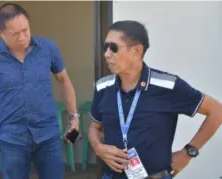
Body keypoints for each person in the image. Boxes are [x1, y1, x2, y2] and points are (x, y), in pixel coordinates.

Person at [88, 20, 222, 179]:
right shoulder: (103, 87)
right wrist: (98, 147)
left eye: (113, 48)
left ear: (137, 51)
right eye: (105, 47)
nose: (106, 54)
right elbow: (95, 128)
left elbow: (216, 111)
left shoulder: (168, 86)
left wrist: (188, 153)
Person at [0, 3, 79, 179]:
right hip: (12, 138)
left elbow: (64, 81)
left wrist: (74, 117)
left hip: (48, 134)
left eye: (25, 30)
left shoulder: (48, 48)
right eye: (15, 34)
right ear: (0, 32)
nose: (22, 37)